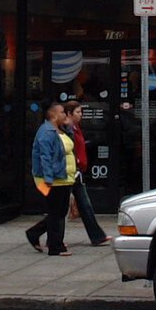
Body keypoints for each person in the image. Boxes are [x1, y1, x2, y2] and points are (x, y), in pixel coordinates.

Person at [62, 100, 112, 248]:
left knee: (85, 205)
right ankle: (45, 235)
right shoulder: (68, 128)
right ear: (69, 113)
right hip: (72, 172)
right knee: (62, 208)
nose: (81, 115)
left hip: (77, 172)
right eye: (78, 112)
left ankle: (97, 236)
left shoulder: (75, 127)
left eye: (81, 112)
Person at [27, 102, 74, 256]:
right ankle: (55, 247)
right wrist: (48, 177)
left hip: (63, 177)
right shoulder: (46, 132)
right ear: (53, 115)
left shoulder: (59, 130)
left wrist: (68, 126)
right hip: (52, 179)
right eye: (62, 113)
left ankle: (34, 233)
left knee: (60, 212)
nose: (64, 115)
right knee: (55, 212)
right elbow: (45, 157)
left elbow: (70, 142)